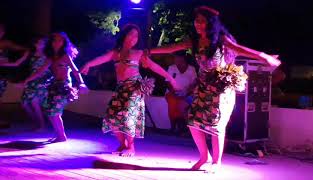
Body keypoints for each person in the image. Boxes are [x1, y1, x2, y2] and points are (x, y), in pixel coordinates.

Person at [150, 6, 281, 172]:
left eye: (202, 21)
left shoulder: (221, 39)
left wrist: (263, 56)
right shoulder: (195, 41)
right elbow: (172, 48)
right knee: (192, 122)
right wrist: (149, 51)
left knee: (216, 125)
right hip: (203, 87)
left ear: (210, 23)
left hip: (221, 89)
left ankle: (216, 162)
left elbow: (241, 50)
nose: (198, 24)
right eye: (197, 21)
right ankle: (204, 157)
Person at [81, 24, 179, 157]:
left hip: (134, 88)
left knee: (128, 116)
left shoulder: (138, 53)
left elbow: (154, 67)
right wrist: (88, 64)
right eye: (131, 34)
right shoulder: (116, 53)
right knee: (112, 117)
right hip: (120, 88)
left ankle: (131, 147)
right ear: (124, 35)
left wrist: (171, 79)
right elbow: (101, 59)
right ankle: (122, 145)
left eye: (136, 35)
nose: (134, 37)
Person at [22, 32, 88, 142]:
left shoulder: (65, 56)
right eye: (54, 40)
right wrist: (27, 79)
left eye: (60, 40)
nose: (57, 42)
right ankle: (60, 135)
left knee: (54, 112)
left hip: (64, 86)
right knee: (50, 111)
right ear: (51, 42)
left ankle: (61, 136)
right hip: (54, 86)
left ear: (64, 43)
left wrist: (81, 83)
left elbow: (75, 71)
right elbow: (40, 71)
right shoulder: (51, 57)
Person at [0, 36, 53, 131]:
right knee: (24, 103)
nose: (39, 44)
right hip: (31, 79)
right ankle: (37, 122)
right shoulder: (30, 53)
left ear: (45, 44)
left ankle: (41, 125)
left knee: (34, 102)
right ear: (35, 43)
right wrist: (3, 64)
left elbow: (41, 71)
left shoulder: (48, 55)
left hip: (42, 80)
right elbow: (17, 63)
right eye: (38, 42)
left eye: (42, 43)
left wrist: (25, 81)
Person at [165, 52, 197, 135]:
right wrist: (174, 92)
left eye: (176, 58)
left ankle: (183, 127)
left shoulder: (191, 69)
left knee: (184, 103)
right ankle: (173, 126)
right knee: (173, 102)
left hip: (187, 93)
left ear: (182, 58)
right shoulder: (171, 68)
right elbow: (168, 82)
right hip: (172, 92)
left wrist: (187, 92)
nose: (175, 60)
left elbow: (194, 83)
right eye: (174, 58)